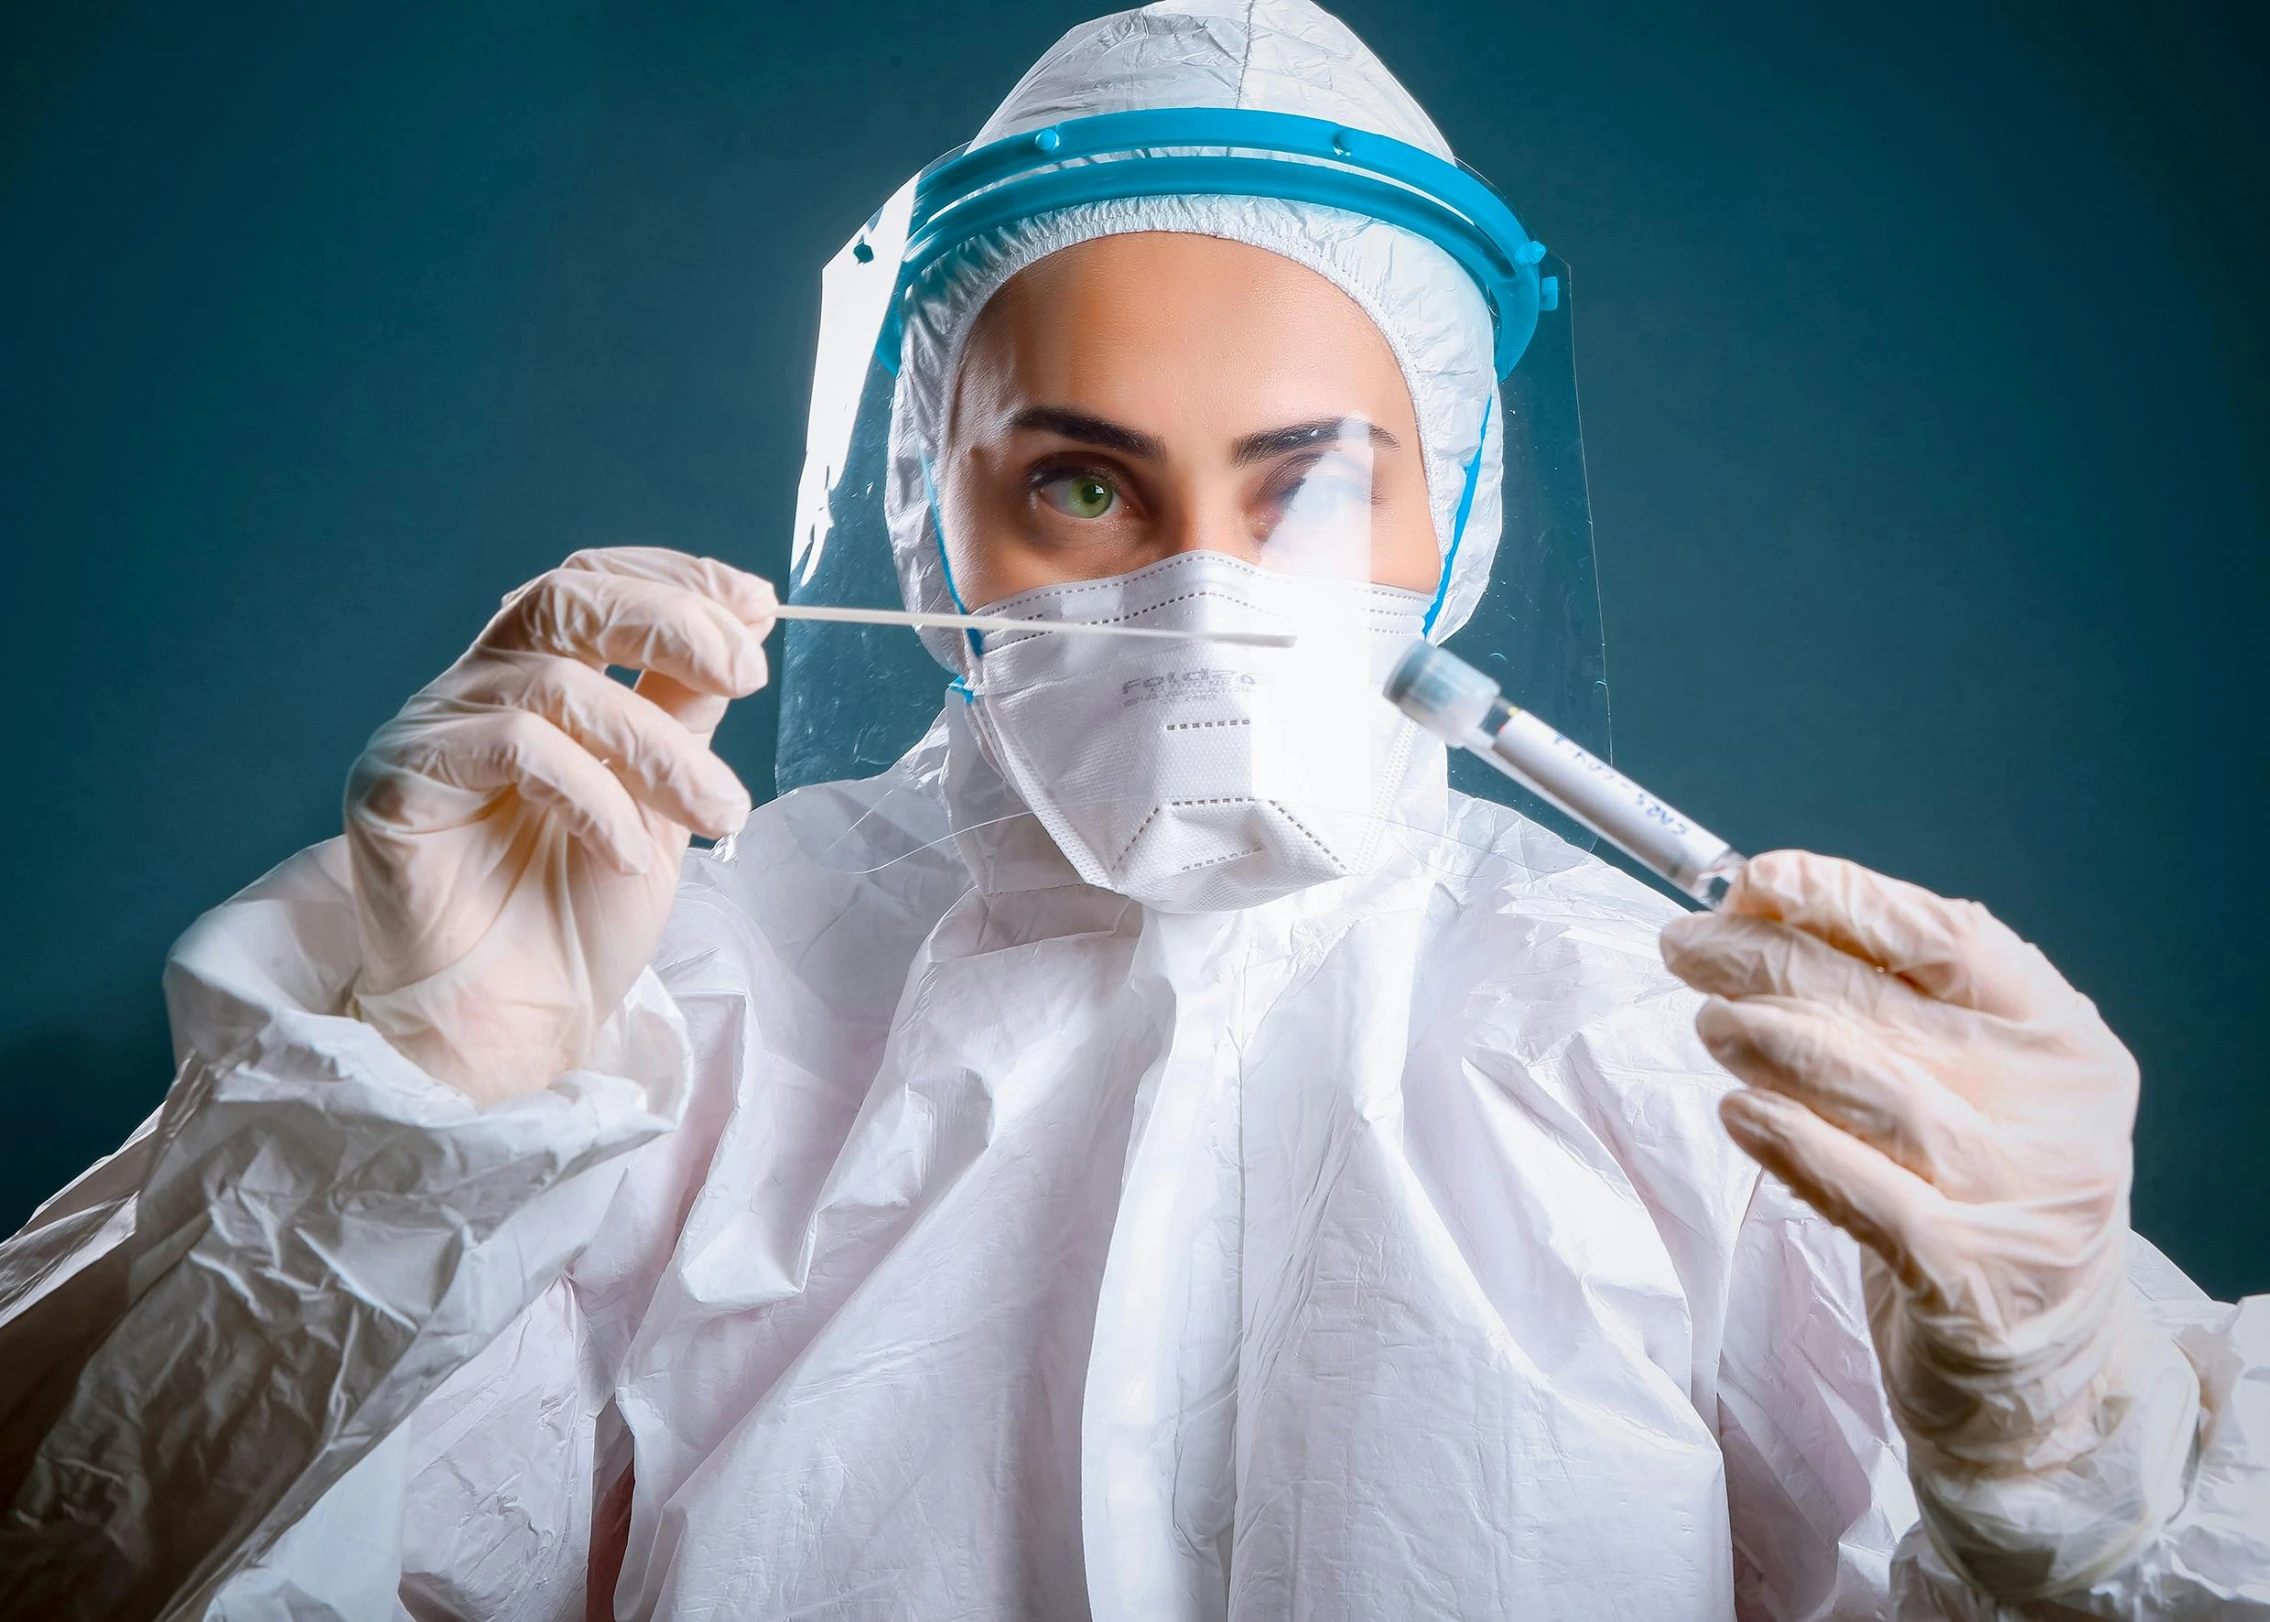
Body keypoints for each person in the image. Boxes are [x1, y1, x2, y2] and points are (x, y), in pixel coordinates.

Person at [2, 2, 2265, 1617]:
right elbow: (93, 1561)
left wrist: (2074, 1400)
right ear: (929, 516)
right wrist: (397, 1129)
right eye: (1081, 480)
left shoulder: (1695, 1043)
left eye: (1309, 485)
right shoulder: (666, 995)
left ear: (1452, 519)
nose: (1198, 585)